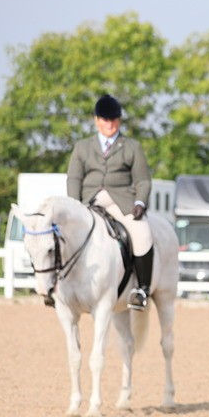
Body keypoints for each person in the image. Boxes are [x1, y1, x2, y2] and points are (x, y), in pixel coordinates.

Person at [66, 94, 154, 310]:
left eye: (114, 120)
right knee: (61, 235)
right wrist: (73, 205)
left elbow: (142, 180)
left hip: (121, 202)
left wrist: (140, 203)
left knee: (143, 234)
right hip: (89, 201)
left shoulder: (132, 146)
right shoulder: (82, 147)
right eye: (105, 120)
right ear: (97, 120)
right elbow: (74, 178)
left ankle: (142, 289)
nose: (110, 124)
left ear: (119, 121)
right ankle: (57, 287)